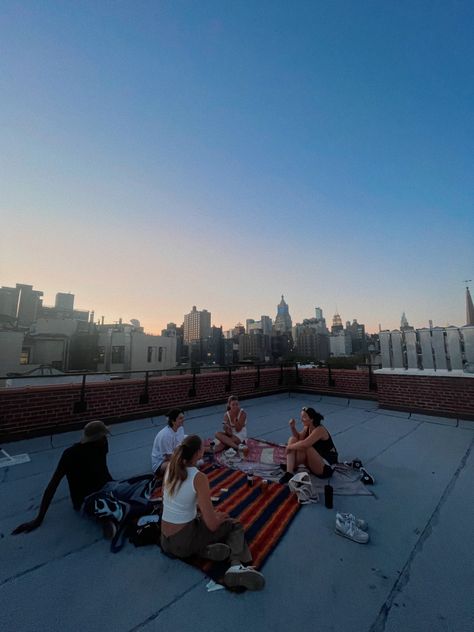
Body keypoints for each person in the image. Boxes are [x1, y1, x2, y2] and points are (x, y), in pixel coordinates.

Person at [160, 434, 265, 591]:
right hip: (183, 542)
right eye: (202, 447)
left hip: (165, 541)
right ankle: (236, 566)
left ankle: (203, 551)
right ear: (198, 454)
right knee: (233, 524)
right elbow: (213, 525)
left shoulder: (170, 468)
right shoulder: (198, 477)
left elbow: (176, 502)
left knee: (199, 519)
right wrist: (219, 517)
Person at [12, 420, 114, 534]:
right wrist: (39, 518)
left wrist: (115, 484)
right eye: (104, 436)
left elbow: (103, 468)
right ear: (97, 439)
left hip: (107, 487)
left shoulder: (103, 445)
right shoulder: (70, 454)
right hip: (85, 498)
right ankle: (108, 518)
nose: (106, 438)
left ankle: (113, 512)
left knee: (134, 487)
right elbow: (53, 484)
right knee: (101, 506)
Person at [279, 406, 338, 484]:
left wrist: (289, 447)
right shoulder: (307, 426)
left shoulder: (320, 430)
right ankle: (289, 472)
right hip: (315, 461)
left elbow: (305, 444)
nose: (301, 419)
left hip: (326, 467)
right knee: (292, 439)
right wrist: (292, 427)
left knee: (306, 447)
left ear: (312, 419)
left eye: (304, 417)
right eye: (301, 417)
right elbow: (298, 438)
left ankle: (292, 465)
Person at [151, 409, 186, 476]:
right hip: (161, 463)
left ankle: (210, 449)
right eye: (180, 418)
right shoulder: (165, 435)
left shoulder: (180, 428)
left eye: (183, 417)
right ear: (173, 421)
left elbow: (180, 446)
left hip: (174, 455)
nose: (183, 420)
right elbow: (168, 457)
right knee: (183, 464)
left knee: (193, 440)